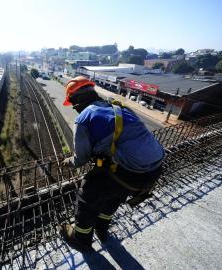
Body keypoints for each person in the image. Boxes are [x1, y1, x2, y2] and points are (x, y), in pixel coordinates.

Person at [59, 76, 164, 251]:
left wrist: (68, 162)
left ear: (75, 101)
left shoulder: (84, 118)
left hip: (129, 173)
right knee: (114, 195)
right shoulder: (119, 107)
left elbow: (81, 158)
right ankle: (102, 229)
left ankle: (81, 239)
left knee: (86, 196)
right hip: (155, 170)